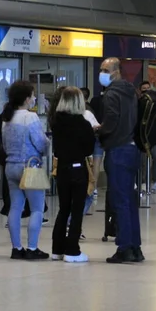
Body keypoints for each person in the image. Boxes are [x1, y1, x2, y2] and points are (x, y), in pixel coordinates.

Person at [97, 57, 142, 264]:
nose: (102, 73)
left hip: (117, 150)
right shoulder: (132, 92)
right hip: (132, 148)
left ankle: (124, 248)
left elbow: (112, 121)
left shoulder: (111, 94)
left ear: (116, 72)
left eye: (105, 69)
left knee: (120, 201)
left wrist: (100, 130)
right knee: (130, 201)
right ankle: (135, 247)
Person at [1, 80, 50, 261]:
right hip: (30, 166)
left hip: (11, 166)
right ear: (27, 98)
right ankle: (32, 248)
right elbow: (40, 141)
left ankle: (16, 248)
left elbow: (5, 145)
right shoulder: (30, 117)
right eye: (32, 95)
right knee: (37, 209)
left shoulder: (7, 118)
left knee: (15, 207)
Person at [50, 87, 95, 263]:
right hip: (78, 169)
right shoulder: (82, 124)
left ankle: (57, 249)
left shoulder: (56, 122)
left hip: (61, 168)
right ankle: (72, 250)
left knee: (63, 209)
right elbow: (88, 149)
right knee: (76, 210)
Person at [139, 81, 156, 193]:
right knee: (143, 161)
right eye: (143, 88)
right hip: (143, 136)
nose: (146, 91)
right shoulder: (139, 103)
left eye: (148, 88)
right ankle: (143, 182)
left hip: (155, 135)